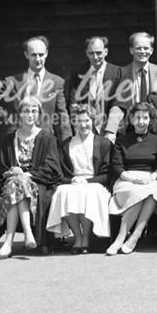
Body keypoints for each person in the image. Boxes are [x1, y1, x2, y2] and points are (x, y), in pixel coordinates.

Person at [0, 96, 62, 259]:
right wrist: (13, 171)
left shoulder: (47, 138)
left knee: (20, 182)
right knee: (16, 182)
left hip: (37, 183)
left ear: (38, 114)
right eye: (26, 111)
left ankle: (8, 242)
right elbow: (1, 167)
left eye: (34, 111)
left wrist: (27, 174)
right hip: (12, 183)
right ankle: (28, 233)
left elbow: (52, 168)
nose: (30, 114)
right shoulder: (9, 138)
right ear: (20, 114)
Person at [46, 103, 112, 253]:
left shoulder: (103, 143)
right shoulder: (65, 145)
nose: (84, 125)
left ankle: (86, 239)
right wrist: (72, 181)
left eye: (87, 121)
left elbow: (107, 174)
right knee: (62, 192)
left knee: (87, 192)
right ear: (74, 122)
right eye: (79, 121)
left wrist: (87, 181)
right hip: (73, 182)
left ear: (93, 121)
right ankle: (78, 236)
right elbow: (60, 173)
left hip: (95, 182)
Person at [107, 102, 157, 255]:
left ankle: (135, 234)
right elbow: (117, 166)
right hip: (126, 180)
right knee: (138, 192)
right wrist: (130, 179)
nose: (141, 121)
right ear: (131, 119)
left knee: (153, 190)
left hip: (149, 179)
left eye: (145, 118)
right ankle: (122, 237)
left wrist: (153, 177)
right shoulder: (122, 141)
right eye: (137, 117)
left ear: (150, 120)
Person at [0, 35, 71, 141]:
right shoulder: (12, 81)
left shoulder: (57, 82)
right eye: (33, 55)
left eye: (41, 55)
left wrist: (67, 143)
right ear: (26, 54)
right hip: (19, 140)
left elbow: (62, 116)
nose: (38, 59)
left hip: (46, 142)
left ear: (46, 54)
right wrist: (8, 119)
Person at [68, 36, 122, 137]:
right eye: (91, 53)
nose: (95, 57)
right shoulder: (78, 73)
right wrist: (78, 130)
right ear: (86, 53)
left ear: (105, 51)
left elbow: (118, 104)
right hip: (84, 130)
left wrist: (110, 131)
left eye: (99, 53)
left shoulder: (117, 73)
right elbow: (73, 103)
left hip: (109, 131)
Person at [114, 31, 157, 133]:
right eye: (138, 48)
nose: (142, 51)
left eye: (146, 48)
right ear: (131, 50)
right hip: (129, 130)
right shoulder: (122, 73)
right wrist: (111, 131)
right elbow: (117, 105)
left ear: (151, 50)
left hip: (155, 130)